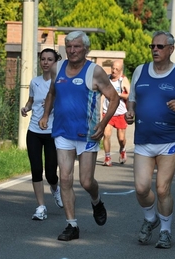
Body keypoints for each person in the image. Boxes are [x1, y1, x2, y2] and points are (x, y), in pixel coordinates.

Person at [39, 31, 119, 241]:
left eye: (77, 47)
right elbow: (52, 93)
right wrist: (46, 114)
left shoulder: (95, 72)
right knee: (65, 177)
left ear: (86, 49)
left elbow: (114, 98)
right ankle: (71, 225)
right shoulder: (58, 68)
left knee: (85, 181)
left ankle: (96, 200)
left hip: (88, 133)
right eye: (69, 47)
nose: (72, 51)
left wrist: (103, 124)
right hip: (63, 131)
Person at [125, 31, 175, 249]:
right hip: (143, 139)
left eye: (160, 46)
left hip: (169, 140)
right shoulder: (140, 71)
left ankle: (166, 232)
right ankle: (151, 219)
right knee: (141, 189)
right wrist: (130, 113)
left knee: (162, 189)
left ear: (171, 49)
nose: (155, 50)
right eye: (152, 46)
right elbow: (132, 100)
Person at [21, 48, 63, 220]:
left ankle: (55, 188)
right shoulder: (34, 82)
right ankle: (41, 207)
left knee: (51, 173)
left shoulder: (60, 83)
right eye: (43, 59)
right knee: (36, 169)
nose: (46, 62)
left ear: (56, 62)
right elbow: (31, 101)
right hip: (34, 131)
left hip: (53, 132)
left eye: (49, 59)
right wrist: (26, 107)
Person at [102, 60, 130, 166]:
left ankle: (123, 150)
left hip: (120, 113)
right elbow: (101, 95)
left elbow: (129, 95)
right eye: (112, 68)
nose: (114, 71)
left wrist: (118, 94)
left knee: (121, 138)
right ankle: (107, 157)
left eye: (116, 69)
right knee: (106, 134)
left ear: (121, 70)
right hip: (108, 112)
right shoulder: (106, 79)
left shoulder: (123, 80)